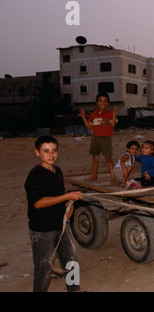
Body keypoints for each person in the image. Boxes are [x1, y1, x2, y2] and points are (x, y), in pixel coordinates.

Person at [24, 136, 84, 292]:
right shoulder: (35, 175)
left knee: (71, 260)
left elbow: (59, 195)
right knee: (44, 267)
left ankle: (74, 290)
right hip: (43, 229)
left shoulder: (57, 171)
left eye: (54, 151)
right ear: (37, 153)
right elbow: (38, 203)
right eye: (46, 151)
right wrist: (67, 197)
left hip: (61, 223)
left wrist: (68, 206)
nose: (51, 155)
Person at [80, 92, 118, 184]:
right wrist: (84, 118)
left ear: (108, 103)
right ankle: (94, 176)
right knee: (95, 158)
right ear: (97, 102)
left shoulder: (109, 113)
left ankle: (113, 177)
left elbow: (112, 126)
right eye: (100, 100)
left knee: (108, 159)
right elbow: (89, 127)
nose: (102, 103)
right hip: (96, 138)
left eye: (105, 101)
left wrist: (114, 115)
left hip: (106, 138)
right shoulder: (93, 114)